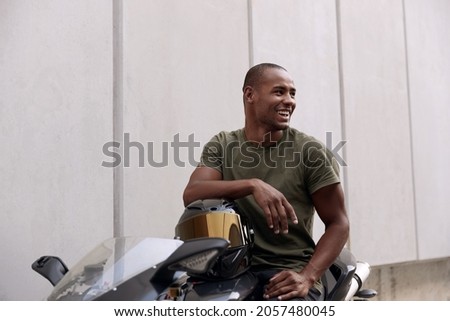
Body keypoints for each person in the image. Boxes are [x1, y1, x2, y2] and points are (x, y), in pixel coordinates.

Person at [182, 63, 349, 301]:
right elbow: (193, 193)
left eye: (292, 93)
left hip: (287, 271)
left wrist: (307, 276)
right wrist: (253, 185)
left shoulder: (310, 152)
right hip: (229, 272)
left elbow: (339, 223)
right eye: (279, 91)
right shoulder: (222, 144)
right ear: (250, 95)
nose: (289, 101)